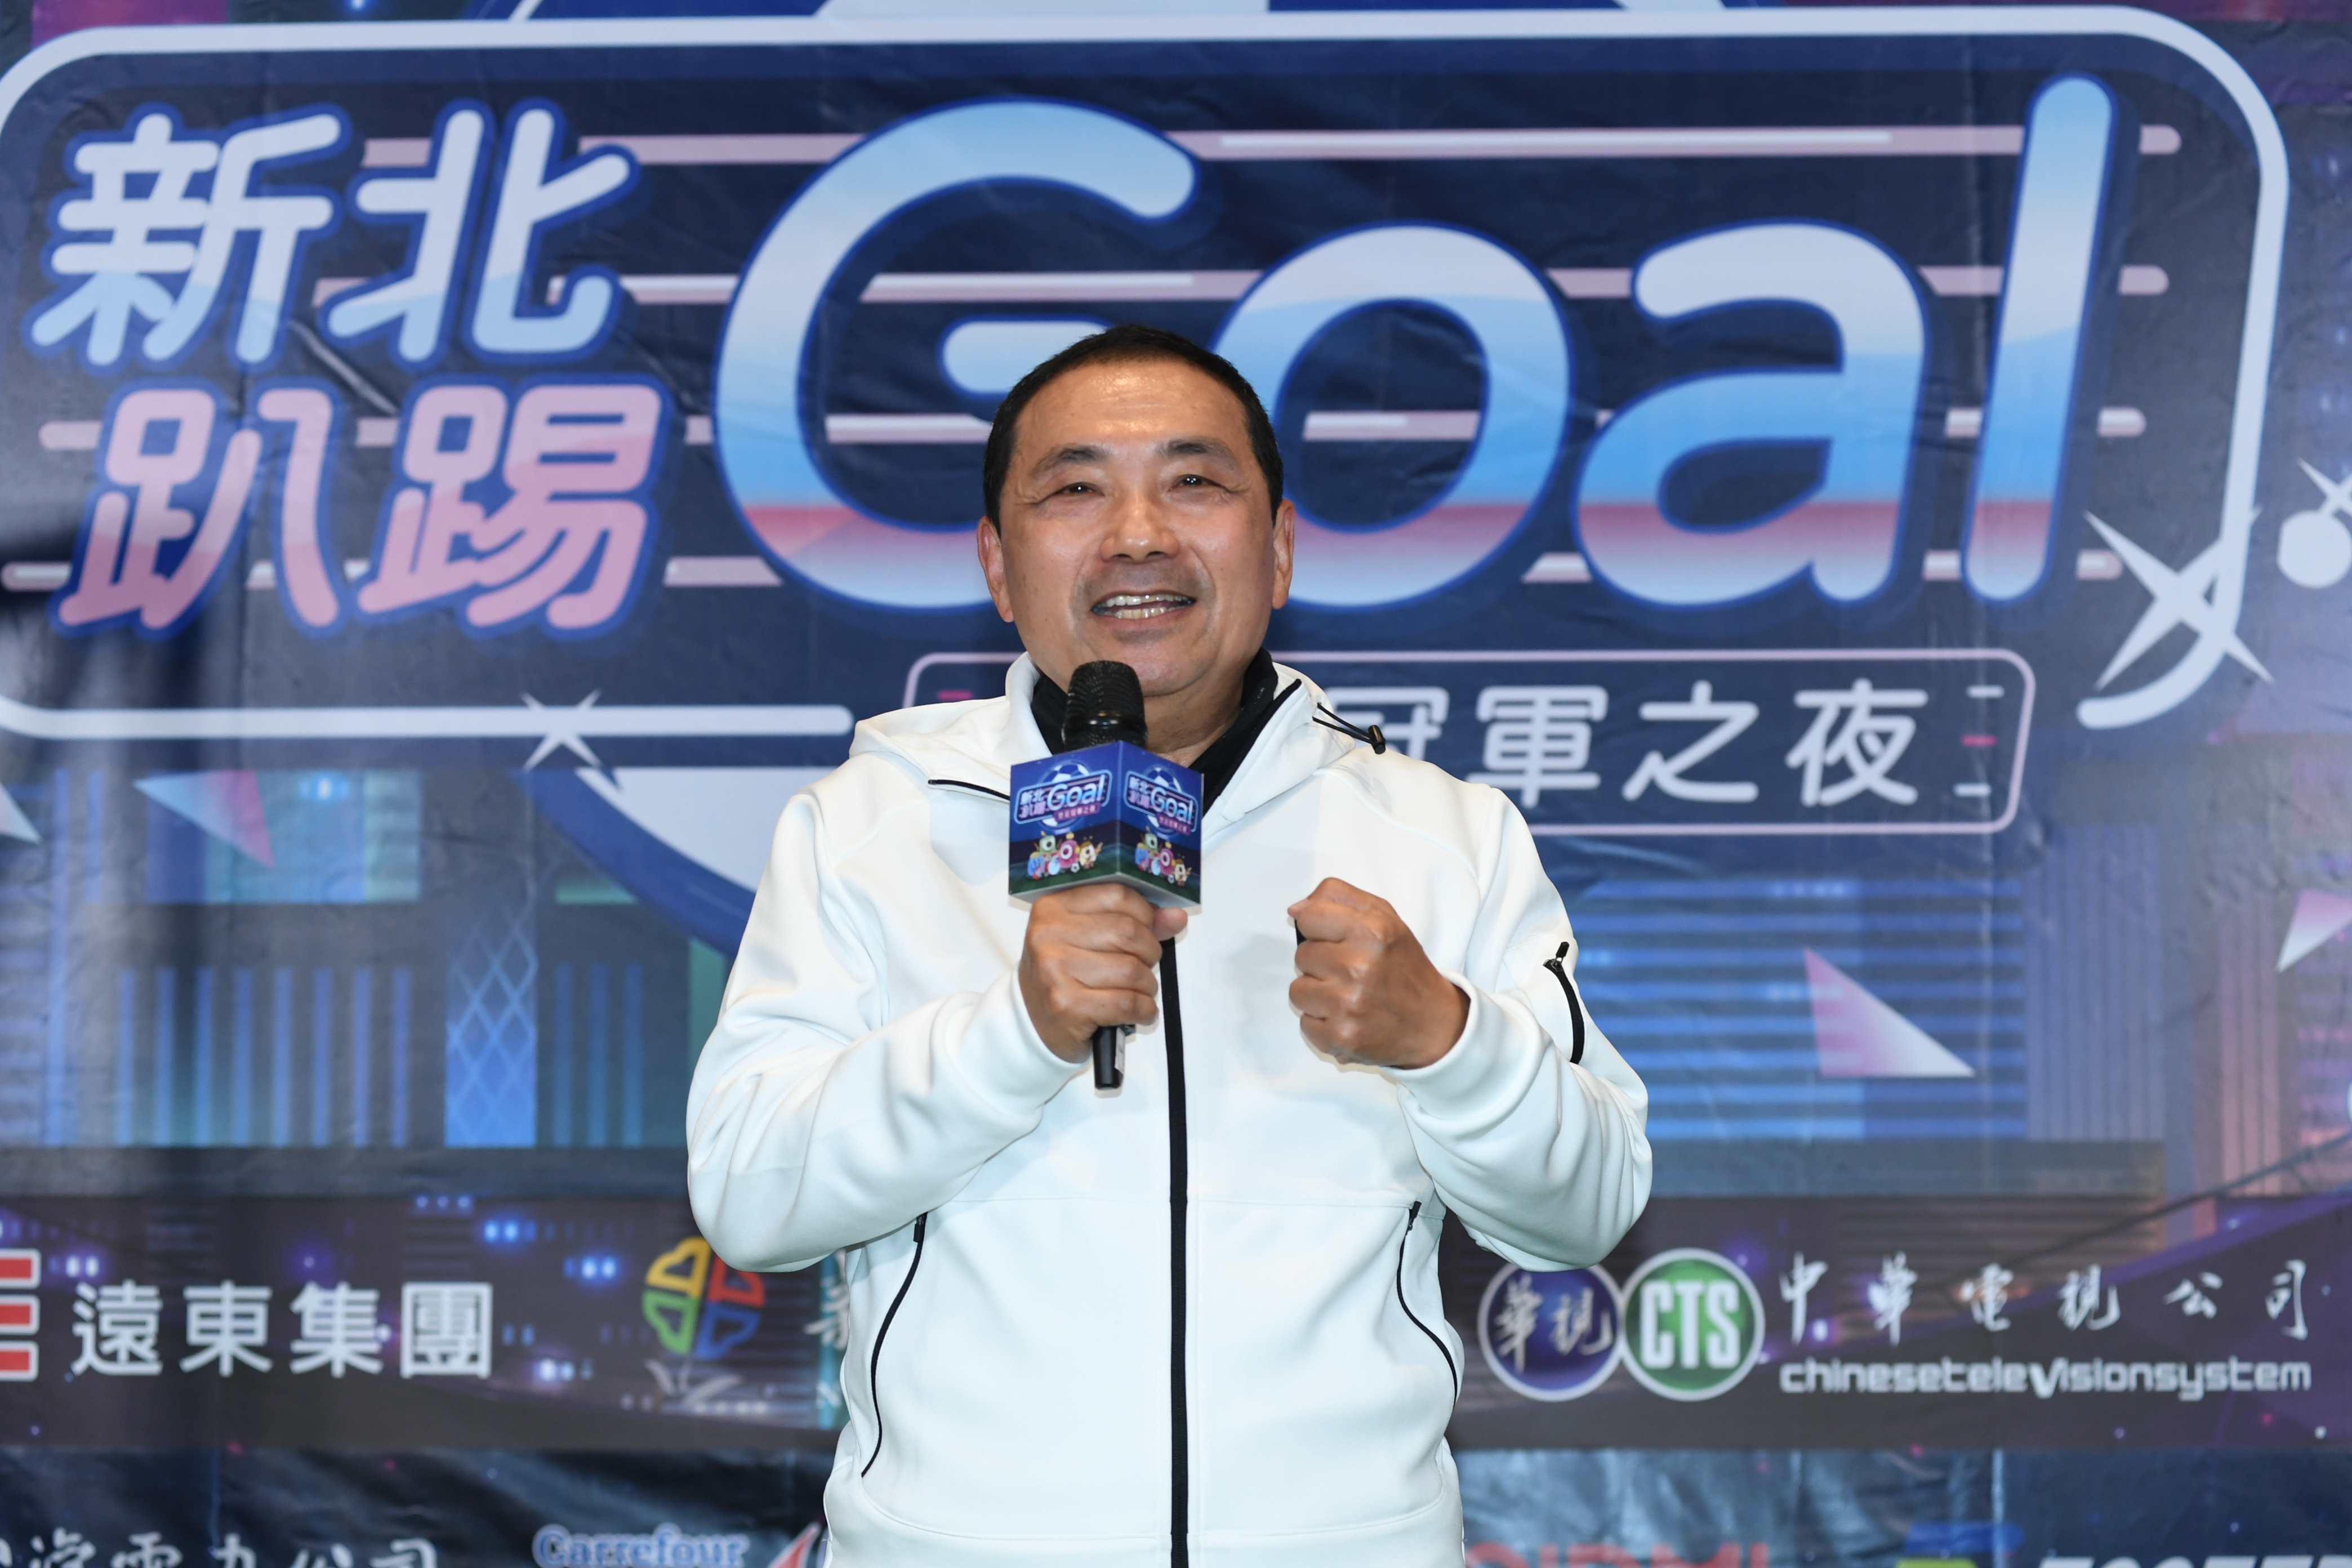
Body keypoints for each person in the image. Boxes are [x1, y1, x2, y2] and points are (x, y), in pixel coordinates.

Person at [687, 324, 1651, 1566]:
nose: (1138, 534)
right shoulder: (870, 826)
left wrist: (1450, 1046)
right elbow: (749, 1196)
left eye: (1194, 481)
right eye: (1076, 489)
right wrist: (1012, 1035)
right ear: (997, 565)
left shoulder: (1443, 836)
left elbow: (1588, 1211)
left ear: (1280, 546)